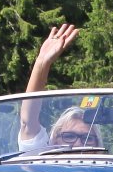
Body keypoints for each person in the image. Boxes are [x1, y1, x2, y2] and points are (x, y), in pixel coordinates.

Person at [18, 24, 95, 152]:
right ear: (55, 140)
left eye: (88, 138)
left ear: (97, 145)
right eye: (69, 136)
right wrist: (42, 62)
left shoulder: (108, 163)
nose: (78, 144)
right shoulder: (44, 158)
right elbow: (28, 123)